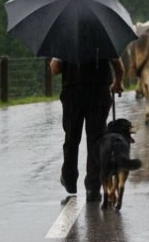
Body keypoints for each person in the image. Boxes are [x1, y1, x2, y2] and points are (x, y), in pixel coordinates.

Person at [50, 57, 125, 201]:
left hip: (73, 92)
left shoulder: (66, 37)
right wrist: (118, 82)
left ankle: (69, 178)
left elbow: (55, 68)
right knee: (96, 141)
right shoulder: (104, 36)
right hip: (99, 92)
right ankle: (92, 188)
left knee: (71, 138)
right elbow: (119, 67)